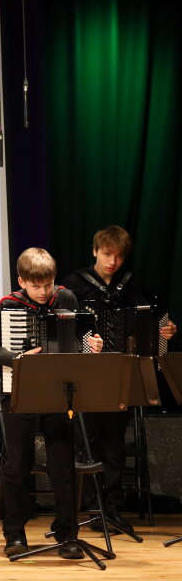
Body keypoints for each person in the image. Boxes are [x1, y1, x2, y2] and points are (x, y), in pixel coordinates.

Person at [0, 247, 101, 559]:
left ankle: (67, 533)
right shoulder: (10, 305)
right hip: (19, 392)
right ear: (21, 281)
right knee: (17, 464)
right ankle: (15, 532)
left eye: (48, 284)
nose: (44, 292)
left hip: (59, 393)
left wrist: (94, 345)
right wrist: (18, 357)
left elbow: (85, 339)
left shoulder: (67, 298)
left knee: (63, 466)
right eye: (36, 286)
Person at [60, 226, 176, 535]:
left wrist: (165, 331)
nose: (113, 262)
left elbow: (156, 318)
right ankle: (91, 507)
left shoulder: (133, 285)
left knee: (114, 444)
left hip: (121, 372)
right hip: (85, 375)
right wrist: (83, 343)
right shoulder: (74, 285)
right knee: (88, 442)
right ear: (95, 251)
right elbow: (60, 328)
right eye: (107, 254)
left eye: (119, 256)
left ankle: (111, 509)